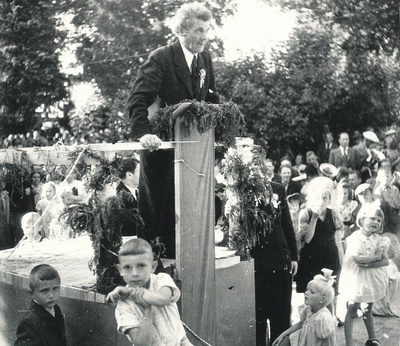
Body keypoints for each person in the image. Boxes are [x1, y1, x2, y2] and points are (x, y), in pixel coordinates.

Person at [127, 2, 219, 258]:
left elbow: (212, 102)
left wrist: (220, 134)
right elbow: (137, 99)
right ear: (182, 30)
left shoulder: (205, 60)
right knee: (156, 218)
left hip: (191, 155)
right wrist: (144, 133)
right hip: (160, 152)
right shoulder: (163, 57)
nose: (205, 37)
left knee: (186, 220)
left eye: (207, 31)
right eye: (200, 30)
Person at [246, 146, 298, 345]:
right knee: (257, 317)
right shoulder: (241, 192)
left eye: (260, 162)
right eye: (252, 163)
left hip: (279, 258)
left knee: (281, 315)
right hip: (256, 262)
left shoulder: (277, 188)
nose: (257, 167)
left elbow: (287, 224)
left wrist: (294, 256)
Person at [106, 238, 192, 346]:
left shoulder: (161, 280)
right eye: (127, 267)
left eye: (141, 266)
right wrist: (147, 310)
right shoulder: (124, 305)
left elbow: (162, 299)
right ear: (120, 270)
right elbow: (141, 343)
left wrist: (129, 291)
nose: (134, 273)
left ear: (153, 267)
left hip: (181, 343)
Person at [339, 204, 390, 346]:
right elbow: (358, 260)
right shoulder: (355, 238)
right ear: (361, 220)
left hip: (371, 279)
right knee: (352, 308)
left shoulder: (379, 240)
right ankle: (349, 342)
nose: (376, 222)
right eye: (373, 218)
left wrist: (371, 263)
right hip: (356, 279)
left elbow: (385, 261)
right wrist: (375, 257)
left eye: (379, 220)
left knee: (368, 308)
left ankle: (372, 338)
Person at [295, 177, 343, 308]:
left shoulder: (333, 214)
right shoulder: (306, 213)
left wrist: (341, 259)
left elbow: (338, 239)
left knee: (329, 295)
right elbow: (307, 239)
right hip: (311, 259)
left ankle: (329, 324)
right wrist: (315, 218)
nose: (322, 201)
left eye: (325, 198)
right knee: (311, 296)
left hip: (329, 258)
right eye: (319, 197)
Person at [273, 268, 337, 346]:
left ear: (322, 299)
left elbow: (327, 342)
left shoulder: (323, 318)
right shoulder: (308, 309)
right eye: (307, 289)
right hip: (304, 340)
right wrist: (284, 334)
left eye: (312, 292)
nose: (306, 292)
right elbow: (301, 323)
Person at [15, 264, 67, 346]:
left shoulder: (56, 309)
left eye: (55, 288)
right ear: (32, 293)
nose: (51, 295)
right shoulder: (29, 322)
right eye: (45, 290)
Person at [116, 158, 140, 236]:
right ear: (129, 175)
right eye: (141, 172)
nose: (144, 175)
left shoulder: (141, 190)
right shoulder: (119, 196)